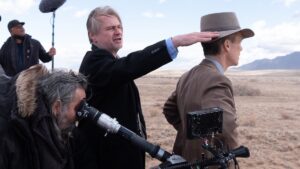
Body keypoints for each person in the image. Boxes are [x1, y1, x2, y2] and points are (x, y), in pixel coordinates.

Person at [74, 5, 219, 169]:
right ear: (92, 36)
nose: (118, 31)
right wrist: (174, 43)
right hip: (106, 158)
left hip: (123, 154)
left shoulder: (111, 62)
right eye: (110, 28)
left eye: (119, 27)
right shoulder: (94, 62)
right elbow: (130, 65)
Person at [163, 12, 254, 168]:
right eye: (239, 42)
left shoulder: (188, 75)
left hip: (186, 161)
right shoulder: (218, 79)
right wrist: (230, 160)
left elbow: (170, 109)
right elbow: (227, 127)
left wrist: (192, 136)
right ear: (227, 45)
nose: (241, 48)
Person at [0, 64, 87, 169]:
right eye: (78, 108)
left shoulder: (58, 128)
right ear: (57, 107)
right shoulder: (14, 132)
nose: (82, 115)